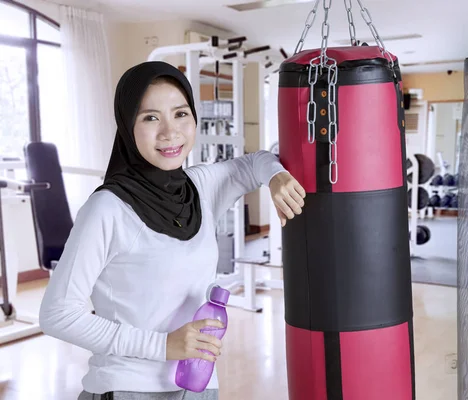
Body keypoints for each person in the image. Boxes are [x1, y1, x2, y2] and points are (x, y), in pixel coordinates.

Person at [38, 61, 306, 400]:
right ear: (126, 126)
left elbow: (253, 163)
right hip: (129, 388)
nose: (170, 132)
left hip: (198, 384)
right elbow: (57, 314)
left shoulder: (200, 186)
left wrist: (276, 176)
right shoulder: (107, 209)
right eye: (150, 118)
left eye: (180, 114)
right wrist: (162, 345)